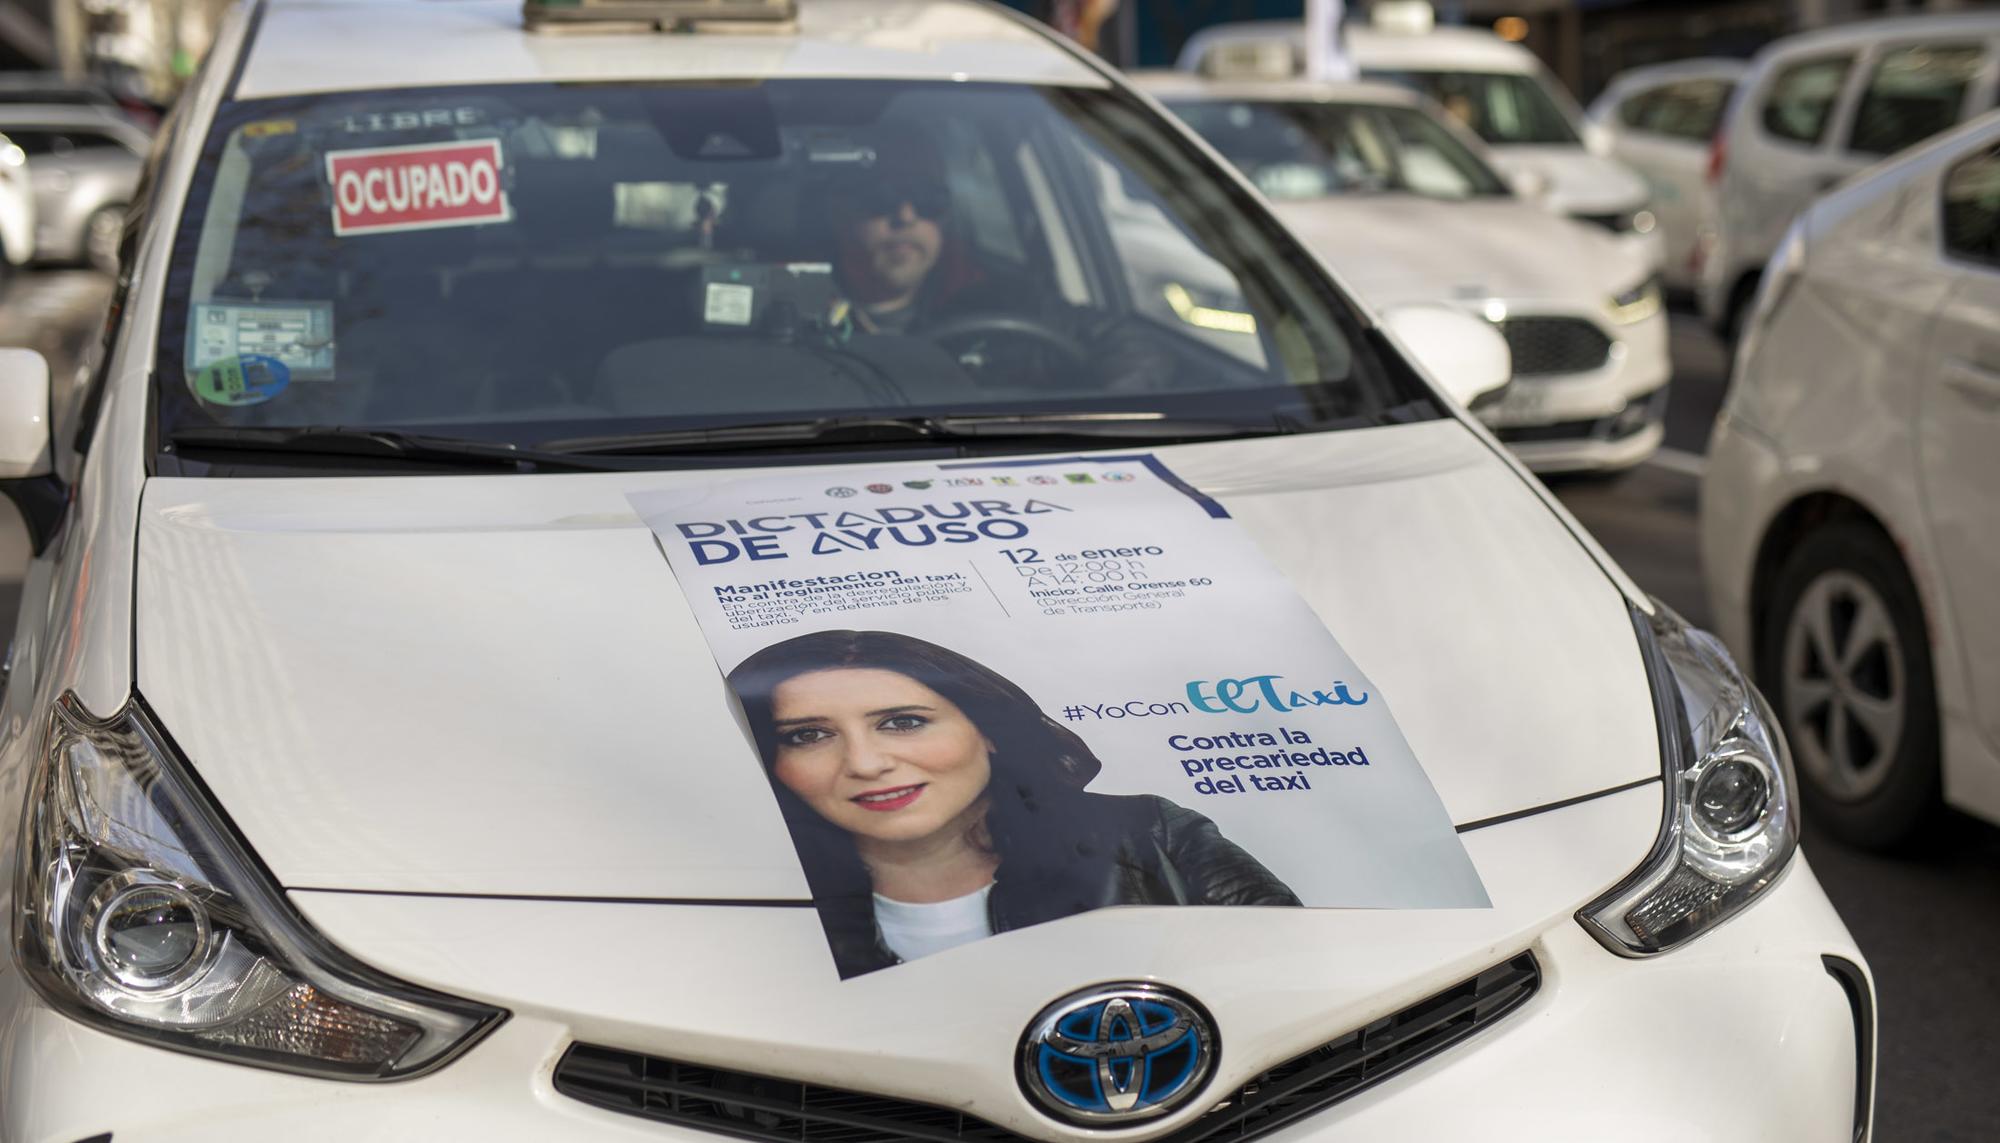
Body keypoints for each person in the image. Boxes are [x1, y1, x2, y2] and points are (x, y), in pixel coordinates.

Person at [728, 629, 1300, 978]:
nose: (866, 763)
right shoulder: (741, 887)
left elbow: (1303, 972)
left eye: (903, 723)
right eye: (808, 735)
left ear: (989, 730)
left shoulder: (1149, 833)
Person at [820, 133, 1176, 392]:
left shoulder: (1004, 301)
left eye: (928, 200)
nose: (907, 217)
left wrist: (1109, 419)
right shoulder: (781, 308)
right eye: (882, 198)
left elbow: (1128, 344)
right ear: (838, 213)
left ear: (946, 216)